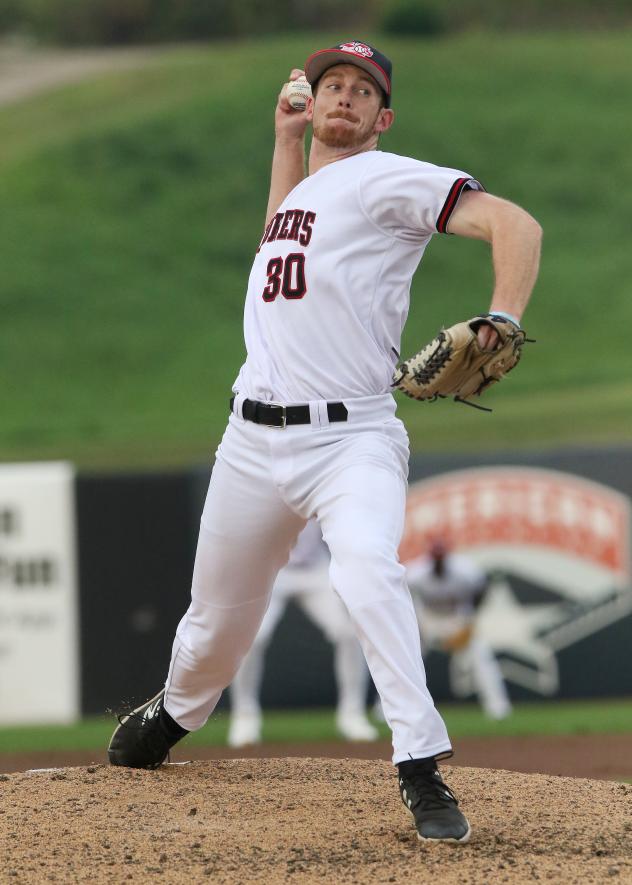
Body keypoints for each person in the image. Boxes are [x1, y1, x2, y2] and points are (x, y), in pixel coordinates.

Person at [108, 39, 541, 844]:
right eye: (330, 83)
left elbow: (515, 222)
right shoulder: (309, 192)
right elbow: (282, 237)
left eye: (361, 90)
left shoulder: (386, 176)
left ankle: (421, 764)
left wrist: (505, 313)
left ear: (383, 116)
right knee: (214, 626)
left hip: (352, 441)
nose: (343, 96)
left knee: (369, 570)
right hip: (250, 440)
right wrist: (283, 141)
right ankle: (172, 714)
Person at [228, 518, 378, 746]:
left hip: (315, 567)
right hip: (274, 569)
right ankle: (244, 717)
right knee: (254, 637)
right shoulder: (270, 483)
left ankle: (352, 714)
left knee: (348, 633)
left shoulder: (318, 483)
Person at [406, 541, 512, 720]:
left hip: (456, 619)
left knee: (481, 656)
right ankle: (386, 708)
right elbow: (400, 593)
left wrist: (470, 619)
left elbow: (483, 588)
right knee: (405, 659)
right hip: (429, 620)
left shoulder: (464, 571)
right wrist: (415, 623)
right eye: (435, 558)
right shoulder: (417, 572)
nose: (438, 562)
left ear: (447, 557)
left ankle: (498, 707)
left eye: (441, 558)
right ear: (430, 559)